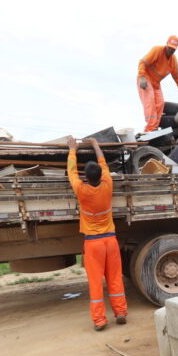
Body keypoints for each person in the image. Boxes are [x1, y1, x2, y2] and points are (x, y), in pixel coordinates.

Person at [67, 136, 128, 331]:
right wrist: (95, 144)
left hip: (93, 244)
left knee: (95, 283)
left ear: (86, 177)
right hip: (110, 241)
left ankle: (100, 320)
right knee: (115, 278)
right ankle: (120, 312)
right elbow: (102, 163)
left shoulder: (81, 190)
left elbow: (71, 172)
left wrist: (72, 149)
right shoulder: (108, 185)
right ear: (101, 175)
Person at [138, 35, 178, 132]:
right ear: (166, 45)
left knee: (160, 104)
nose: (170, 50)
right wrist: (142, 76)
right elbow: (142, 62)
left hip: (156, 83)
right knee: (150, 102)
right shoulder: (157, 50)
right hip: (145, 79)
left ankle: (154, 128)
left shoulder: (173, 61)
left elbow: (177, 76)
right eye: (169, 47)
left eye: (173, 49)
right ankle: (149, 129)